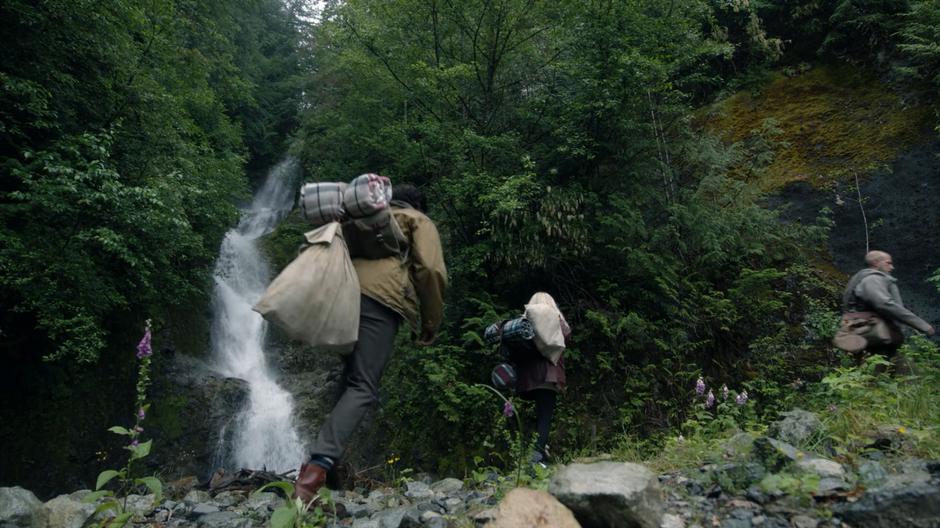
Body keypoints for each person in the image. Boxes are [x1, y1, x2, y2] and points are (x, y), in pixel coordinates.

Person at [294, 183, 447, 502]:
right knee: (364, 386)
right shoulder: (417, 219)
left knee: (350, 381)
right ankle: (314, 471)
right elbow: (430, 269)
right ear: (419, 203)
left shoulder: (359, 222)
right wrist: (430, 323)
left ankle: (330, 473)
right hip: (380, 302)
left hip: (341, 296)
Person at [503, 292, 570, 468]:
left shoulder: (523, 322)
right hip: (548, 378)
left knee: (533, 416)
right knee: (544, 417)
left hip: (527, 380)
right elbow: (566, 338)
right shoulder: (557, 321)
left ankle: (534, 452)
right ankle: (537, 457)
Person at [839, 250, 934, 370]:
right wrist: (923, 326)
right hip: (874, 335)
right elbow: (884, 303)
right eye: (888, 263)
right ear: (875, 263)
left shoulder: (858, 278)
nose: (892, 267)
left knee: (886, 370)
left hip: (862, 334)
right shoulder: (872, 279)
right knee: (878, 374)